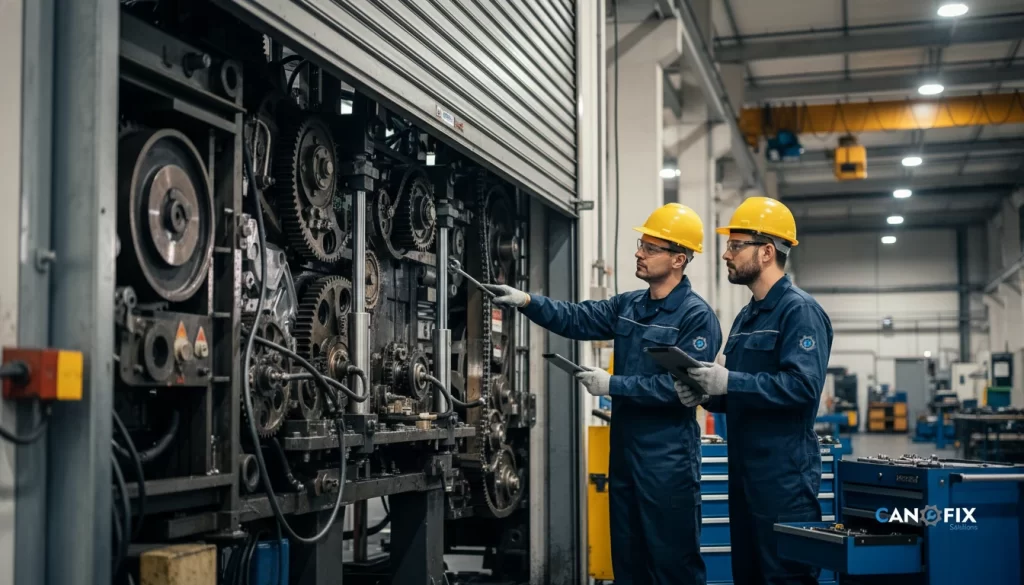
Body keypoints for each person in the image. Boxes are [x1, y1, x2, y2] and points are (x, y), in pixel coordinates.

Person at [486, 203, 720, 585]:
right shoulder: (630, 304)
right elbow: (576, 317)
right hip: (626, 455)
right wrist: (527, 301)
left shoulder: (696, 317)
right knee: (627, 562)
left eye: (649, 247)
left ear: (679, 259)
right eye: (640, 243)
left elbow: (683, 390)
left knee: (671, 563)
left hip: (668, 462)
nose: (638, 252)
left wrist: (613, 385)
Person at [676, 197, 833, 585]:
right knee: (748, 576)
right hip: (744, 475)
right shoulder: (747, 315)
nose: (726, 255)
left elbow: (801, 387)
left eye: (735, 245)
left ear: (766, 252)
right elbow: (744, 393)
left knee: (785, 577)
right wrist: (706, 394)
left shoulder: (800, 312)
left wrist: (728, 382)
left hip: (785, 481)